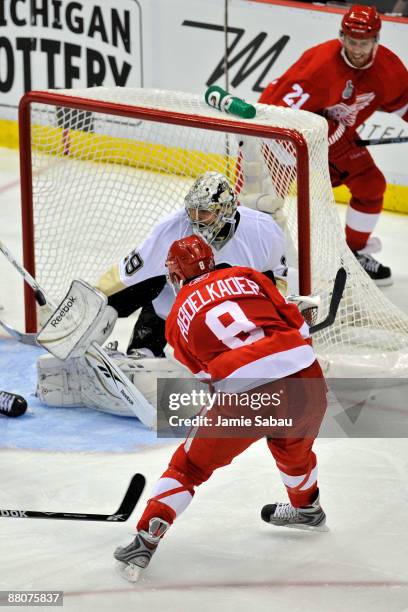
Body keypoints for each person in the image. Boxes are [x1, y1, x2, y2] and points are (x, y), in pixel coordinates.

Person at [114, 234, 328, 582]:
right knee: (293, 449)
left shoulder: (175, 320)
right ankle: (308, 508)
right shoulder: (247, 274)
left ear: (175, 275)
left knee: (188, 467)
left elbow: (206, 374)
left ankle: (146, 537)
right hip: (306, 376)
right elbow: (300, 327)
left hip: (246, 392)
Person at [258, 4, 408, 286]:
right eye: (352, 41)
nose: (358, 49)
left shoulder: (389, 68)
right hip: (280, 136)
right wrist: (324, 129)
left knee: (370, 185)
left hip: (334, 135)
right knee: (262, 203)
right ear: (342, 37)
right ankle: (254, 261)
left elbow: (404, 104)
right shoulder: (318, 67)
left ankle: (355, 255)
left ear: (376, 39)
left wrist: (332, 132)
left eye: (365, 42)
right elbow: (277, 116)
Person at [96, 170, 288, 358]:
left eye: (204, 212)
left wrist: (278, 319)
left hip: (233, 315)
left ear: (226, 209)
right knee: (149, 283)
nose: (195, 219)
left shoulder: (262, 229)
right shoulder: (172, 228)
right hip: (178, 309)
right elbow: (127, 276)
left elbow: (277, 277)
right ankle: (147, 346)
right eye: (192, 210)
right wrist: (92, 302)